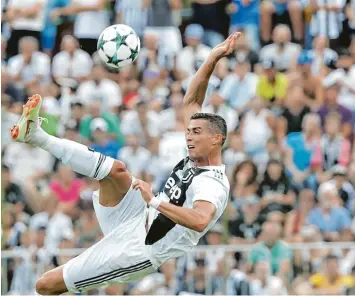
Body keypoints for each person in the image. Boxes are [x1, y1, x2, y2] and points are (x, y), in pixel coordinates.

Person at [9, 33, 240, 295]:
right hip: (137, 215)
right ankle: (37, 136)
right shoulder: (195, 156)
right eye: (189, 131)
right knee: (116, 170)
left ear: (217, 140)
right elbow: (191, 101)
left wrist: (154, 201)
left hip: (140, 249)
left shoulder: (212, 184)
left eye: (197, 132)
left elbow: (200, 220)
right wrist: (213, 57)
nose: (189, 136)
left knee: (45, 285)